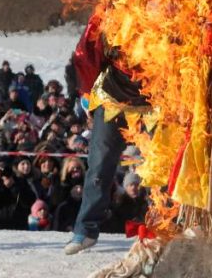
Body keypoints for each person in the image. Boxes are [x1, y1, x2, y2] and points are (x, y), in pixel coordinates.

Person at [63, 13, 149, 255]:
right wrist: (86, 94)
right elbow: (87, 55)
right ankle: (86, 230)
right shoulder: (110, 13)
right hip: (113, 98)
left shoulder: (163, 8)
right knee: (99, 165)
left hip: (154, 99)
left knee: (163, 167)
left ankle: (165, 228)